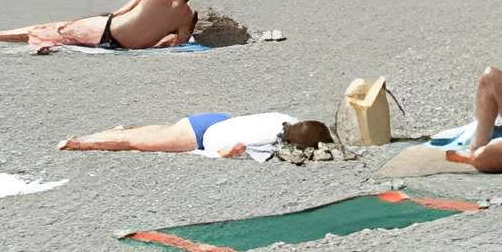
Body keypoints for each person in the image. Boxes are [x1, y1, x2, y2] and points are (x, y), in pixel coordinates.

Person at [0, 0, 196, 52]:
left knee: (55, 28)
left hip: (109, 30)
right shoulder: (185, 16)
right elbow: (182, 41)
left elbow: (119, 13)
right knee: (61, 35)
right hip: (127, 45)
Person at [59, 113, 333, 158]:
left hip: (215, 119)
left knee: (151, 133)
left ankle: (112, 132)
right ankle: (79, 144)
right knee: (136, 143)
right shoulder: (268, 141)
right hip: (201, 136)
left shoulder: (285, 118)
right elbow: (228, 152)